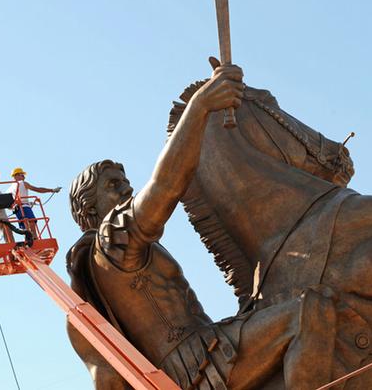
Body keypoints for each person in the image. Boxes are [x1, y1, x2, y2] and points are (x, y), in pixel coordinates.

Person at [66, 61, 343, 390]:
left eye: (124, 181)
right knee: (309, 312)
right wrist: (200, 106)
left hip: (208, 349)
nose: (126, 189)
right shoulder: (109, 243)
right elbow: (164, 188)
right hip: (197, 365)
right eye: (113, 185)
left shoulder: (109, 256)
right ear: (90, 208)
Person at [7, 167, 61, 238]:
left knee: (25, 225)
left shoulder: (9, 189)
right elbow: (38, 189)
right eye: (22, 175)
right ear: (16, 175)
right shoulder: (23, 183)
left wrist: (28, 202)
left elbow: (8, 204)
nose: (24, 177)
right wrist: (52, 190)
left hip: (17, 210)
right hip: (24, 207)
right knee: (32, 222)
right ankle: (35, 238)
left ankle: (28, 239)